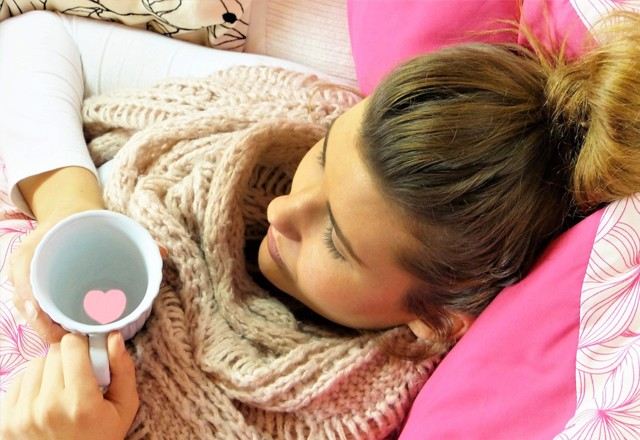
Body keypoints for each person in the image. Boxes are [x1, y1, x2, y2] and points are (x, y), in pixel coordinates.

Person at [2, 7, 640, 439]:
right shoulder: (285, 109)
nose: (285, 208)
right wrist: (69, 209)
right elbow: (35, 40)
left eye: (336, 239)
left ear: (435, 319)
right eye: (325, 155)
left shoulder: (351, 418)